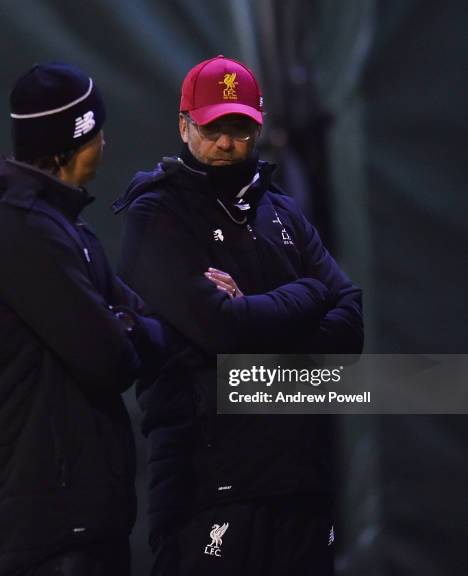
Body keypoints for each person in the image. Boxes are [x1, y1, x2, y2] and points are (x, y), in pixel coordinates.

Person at [113, 55, 364, 575]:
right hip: (207, 483)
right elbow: (224, 329)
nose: (227, 143)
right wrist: (309, 293)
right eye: (213, 128)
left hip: (299, 479)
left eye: (241, 127)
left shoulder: (282, 210)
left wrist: (257, 306)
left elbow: (351, 323)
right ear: (184, 127)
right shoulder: (156, 214)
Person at [0, 62, 172, 576]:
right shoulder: (21, 231)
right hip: (49, 528)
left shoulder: (62, 227)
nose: (105, 143)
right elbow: (112, 359)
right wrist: (125, 326)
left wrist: (125, 323)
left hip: (76, 520)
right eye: (95, 132)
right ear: (68, 144)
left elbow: (147, 329)